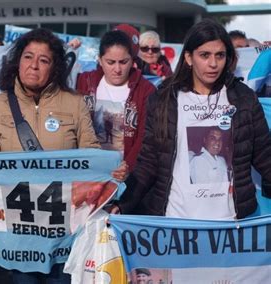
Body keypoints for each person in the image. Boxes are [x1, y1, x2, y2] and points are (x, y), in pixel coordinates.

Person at [0, 28, 129, 284]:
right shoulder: (0, 104)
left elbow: (92, 156)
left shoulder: (74, 103)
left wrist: (112, 172)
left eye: (44, 60)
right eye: (28, 57)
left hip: (64, 229)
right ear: (18, 61)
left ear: (54, 67)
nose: (34, 66)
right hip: (19, 231)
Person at [112, 19, 271, 220]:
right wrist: (123, 204)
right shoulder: (164, 99)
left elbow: (265, 156)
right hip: (177, 223)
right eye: (204, 55)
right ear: (188, 57)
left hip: (231, 224)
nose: (213, 64)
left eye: (220, 55)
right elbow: (149, 161)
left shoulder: (244, 98)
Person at [76, 30, 156, 172]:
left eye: (123, 62)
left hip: (127, 174)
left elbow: (145, 137)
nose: (117, 69)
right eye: (110, 62)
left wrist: (128, 166)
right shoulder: (84, 82)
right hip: (88, 171)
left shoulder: (145, 90)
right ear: (100, 60)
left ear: (132, 60)